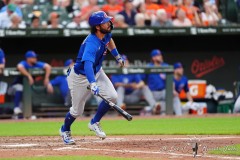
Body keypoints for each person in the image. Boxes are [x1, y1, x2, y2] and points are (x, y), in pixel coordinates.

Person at [59, 11, 125, 144]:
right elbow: (87, 64)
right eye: (105, 22)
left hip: (97, 71)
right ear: (97, 27)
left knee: (112, 96)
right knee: (77, 111)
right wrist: (93, 83)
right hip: (80, 76)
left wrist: (117, 56)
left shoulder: (105, 34)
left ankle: (94, 122)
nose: (109, 23)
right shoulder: (92, 42)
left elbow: (110, 40)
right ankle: (64, 129)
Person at [8, 51, 51, 116]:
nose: (35, 58)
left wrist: (47, 78)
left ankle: (26, 114)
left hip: (26, 89)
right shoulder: (24, 63)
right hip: (13, 88)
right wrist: (28, 75)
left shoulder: (36, 64)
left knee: (28, 93)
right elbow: (19, 66)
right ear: (28, 58)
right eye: (33, 57)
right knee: (20, 87)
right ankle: (16, 108)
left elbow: (48, 66)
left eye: (35, 57)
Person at [145, 49, 169, 115]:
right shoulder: (148, 67)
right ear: (153, 58)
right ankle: (155, 107)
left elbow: (171, 81)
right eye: (158, 55)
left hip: (163, 92)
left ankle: (161, 113)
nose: (160, 56)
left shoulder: (165, 66)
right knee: (145, 89)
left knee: (169, 93)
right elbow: (141, 79)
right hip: (152, 93)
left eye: (160, 55)